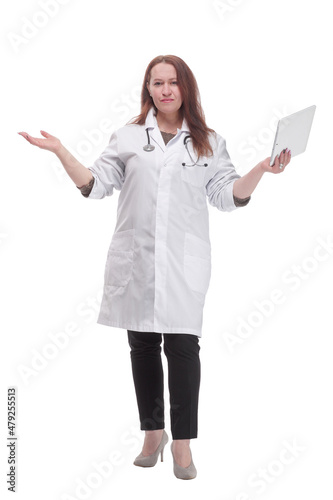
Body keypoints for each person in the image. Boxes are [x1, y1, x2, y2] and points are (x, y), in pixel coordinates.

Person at [18, 54, 291, 480]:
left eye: (173, 82)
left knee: (183, 349)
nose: (165, 90)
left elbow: (227, 196)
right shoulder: (128, 137)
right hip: (138, 260)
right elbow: (96, 185)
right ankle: (152, 433)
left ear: (186, 88)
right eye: (156, 83)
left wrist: (260, 168)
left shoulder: (208, 142)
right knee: (143, 348)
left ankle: (182, 444)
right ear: (148, 89)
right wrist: (60, 151)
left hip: (184, 264)